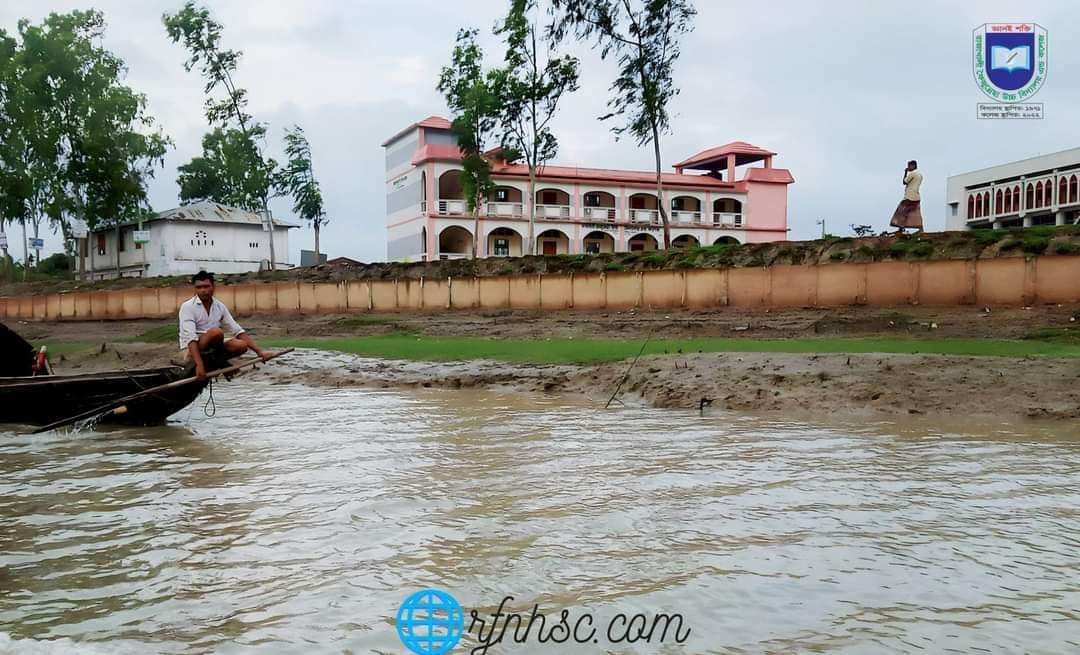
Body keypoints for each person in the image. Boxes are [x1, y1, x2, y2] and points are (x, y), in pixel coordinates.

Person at [179, 271, 269, 380]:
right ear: (195, 289)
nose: (203, 290)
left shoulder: (219, 306)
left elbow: (237, 330)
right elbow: (190, 338)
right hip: (192, 350)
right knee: (216, 332)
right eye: (199, 287)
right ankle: (221, 363)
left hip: (213, 348)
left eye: (206, 286)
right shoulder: (188, 307)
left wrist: (259, 352)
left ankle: (218, 362)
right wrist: (199, 365)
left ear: (213, 287)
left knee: (241, 345)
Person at [891, 160, 924, 234]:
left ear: (913, 166)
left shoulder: (912, 173)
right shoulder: (920, 175)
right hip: (916, 196)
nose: (908, 167)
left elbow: (904, 182)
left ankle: (900, 228)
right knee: (916, 212)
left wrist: (905, 172)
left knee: (901, 211)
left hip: (909, 196)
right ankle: (921, 228)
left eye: (909, 166)